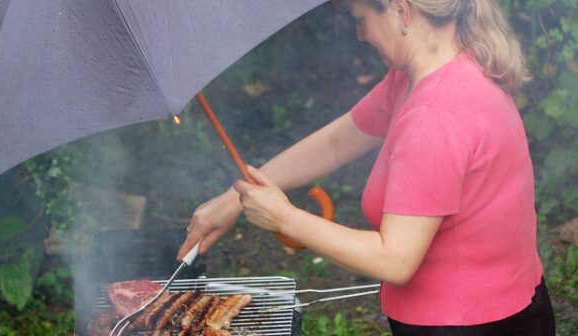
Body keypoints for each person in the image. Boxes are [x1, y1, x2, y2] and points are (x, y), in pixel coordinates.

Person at [177, 0, 556, 335]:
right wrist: (232, 199)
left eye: (362, 19)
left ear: (400, 10)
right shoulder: (433, 74)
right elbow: (336, 141)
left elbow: (395, 259)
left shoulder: (435, 116)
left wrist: (285, 218)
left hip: (466, 325)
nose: (360, 35)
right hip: (513, 308)